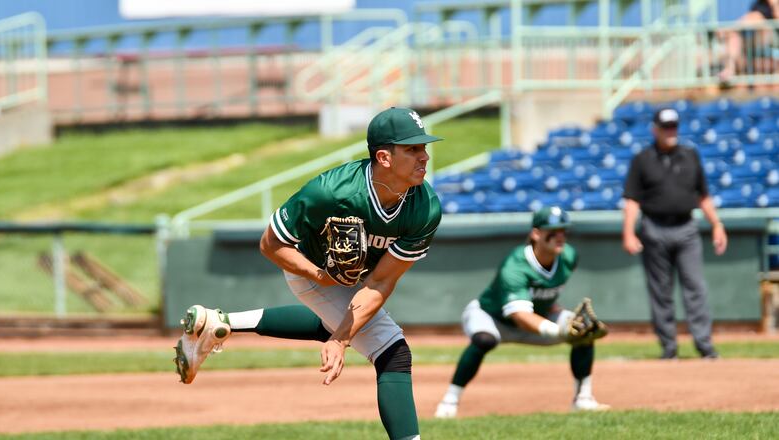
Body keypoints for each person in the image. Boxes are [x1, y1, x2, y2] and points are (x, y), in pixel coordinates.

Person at [173, 107, 443, 440]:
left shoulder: (425, 207)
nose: (424, 156)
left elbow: (381, 281)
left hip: (357, 280)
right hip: (310, 270)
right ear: (384, 157)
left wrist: (341, 337)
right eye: (413, 149)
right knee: (392, 351)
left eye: (423, 147)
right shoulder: (330, 192)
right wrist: (319, 276)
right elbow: (270, 244)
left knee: (338, 325)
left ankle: (220, 323)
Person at [434, 206, 610, 419]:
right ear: (536, 233)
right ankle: (449, 401)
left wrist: (558, 314)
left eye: (564, 230)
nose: (560, 236)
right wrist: (559, 331)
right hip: (492, 317)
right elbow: (519, 314)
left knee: (584, 331)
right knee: (484, 340)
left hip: (537, 317)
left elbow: (543, 295)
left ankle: (583, 398)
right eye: (553, 230)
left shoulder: (569, 256)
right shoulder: (516, 265)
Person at [622, 107, 727, 360]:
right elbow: (632, 200)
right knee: (661, 292)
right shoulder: (643, 159)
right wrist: (628, 232)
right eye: (665, 127)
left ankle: (705, 346)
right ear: (654, 129)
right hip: (654, 229)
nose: (670, 131)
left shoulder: (690, 155)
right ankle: (669, 348)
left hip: (686, 228)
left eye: (673, 126)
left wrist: (717, 224)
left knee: (695, 288)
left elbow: (703, 195)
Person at [717, 0, 779, 84]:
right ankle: (729, 69)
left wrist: (774, 4)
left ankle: (730, 29)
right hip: (758, 40)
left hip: (774, 36)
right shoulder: (758, 5)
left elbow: (776, 17)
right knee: (734, 37)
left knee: (757, 17)